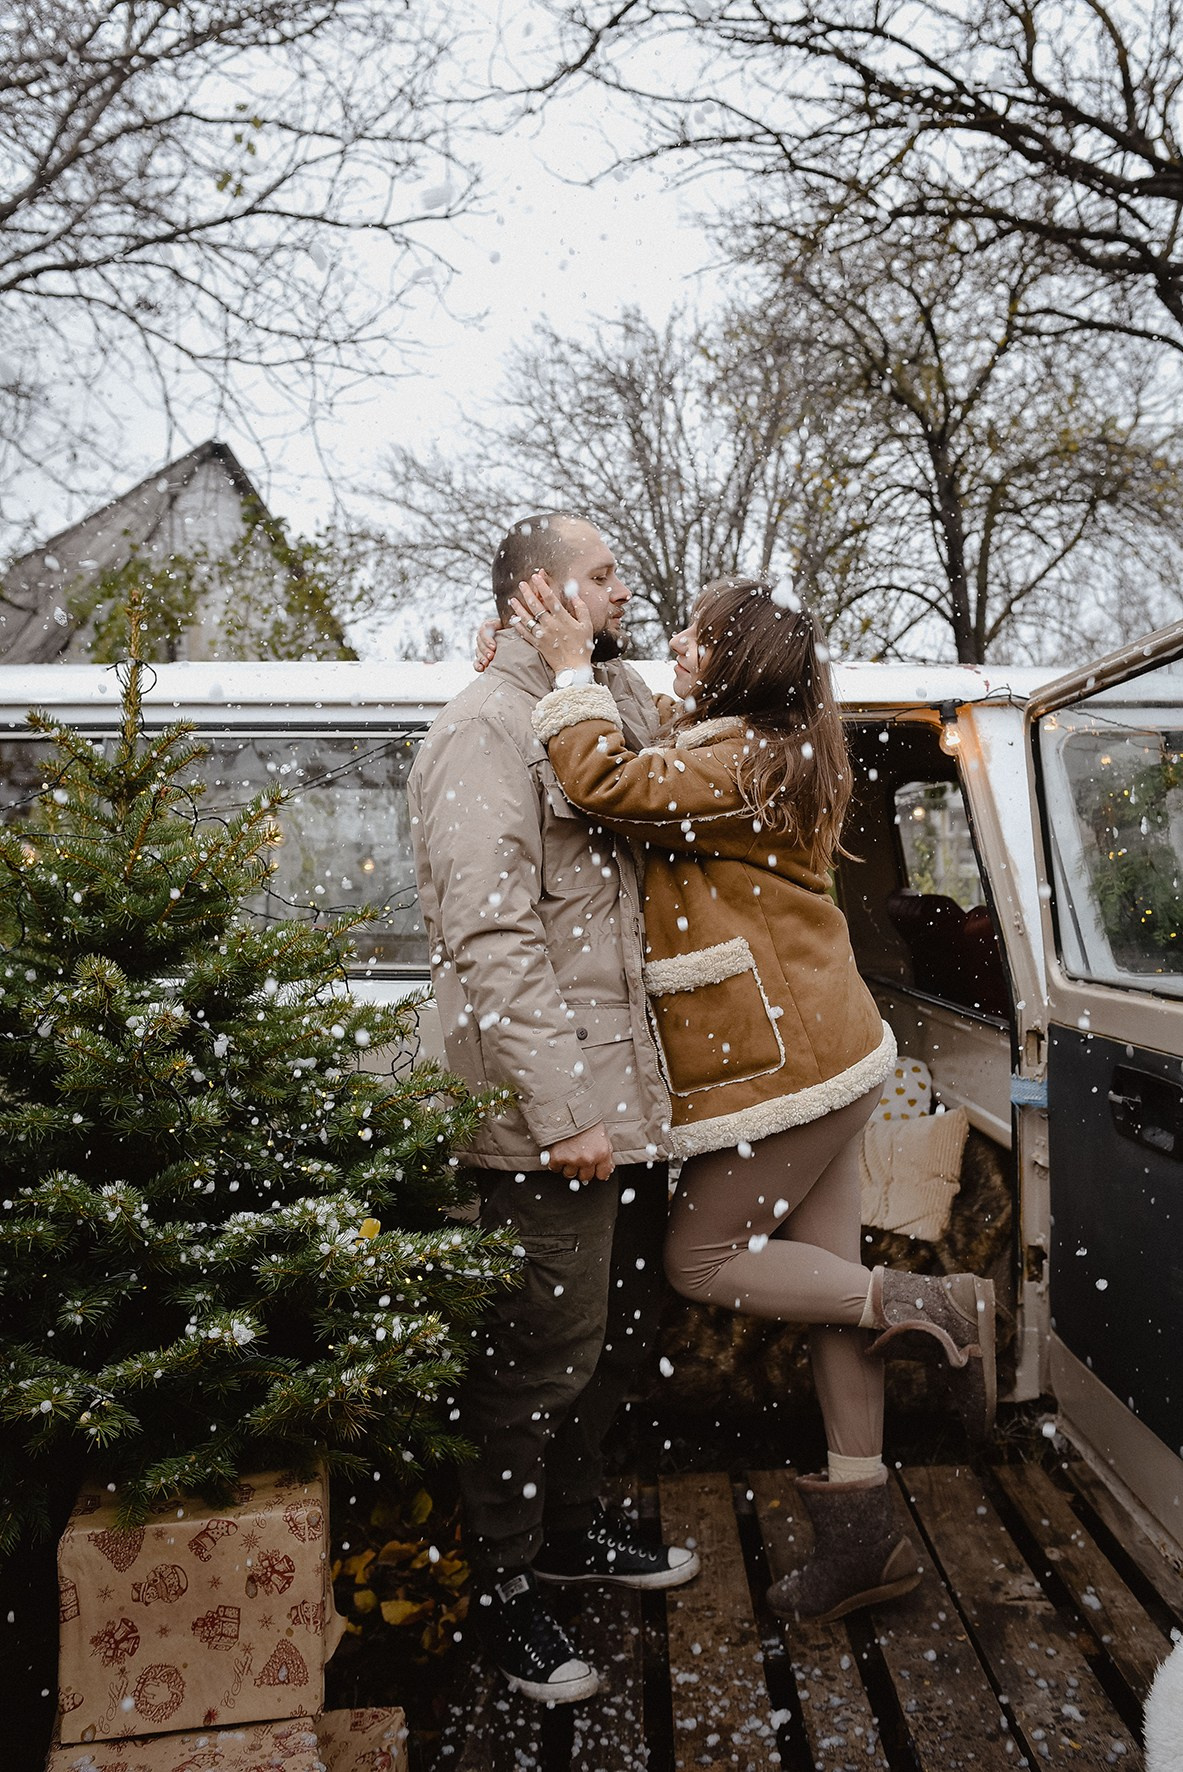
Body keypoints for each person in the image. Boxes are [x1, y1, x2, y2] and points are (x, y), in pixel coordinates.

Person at [508, 568, 998, 1626]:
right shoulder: (769, 745)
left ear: (732, 667)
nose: (676, 650)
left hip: (794, 1069)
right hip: (827, 1052)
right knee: (826, 1290)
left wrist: (559, 673)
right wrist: (577, 663)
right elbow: (642, 748)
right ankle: (865, 1540)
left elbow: (603, 780)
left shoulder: (739, 758)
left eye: (693, 640)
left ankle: (936, 1305)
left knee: (702, 1258)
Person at [406, 514, 699, 1708]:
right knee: (529, 1368)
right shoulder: (482, 729)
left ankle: (573, 1536)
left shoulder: (583, 702)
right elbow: (492, 938)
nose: (624, 587)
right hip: (545, 1123)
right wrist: (562, 1108)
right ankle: (506, 1589)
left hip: (618, 1116)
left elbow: (673, 728)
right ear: (544, 590)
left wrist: (587, 655)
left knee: (603, 1350)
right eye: (603, 574)